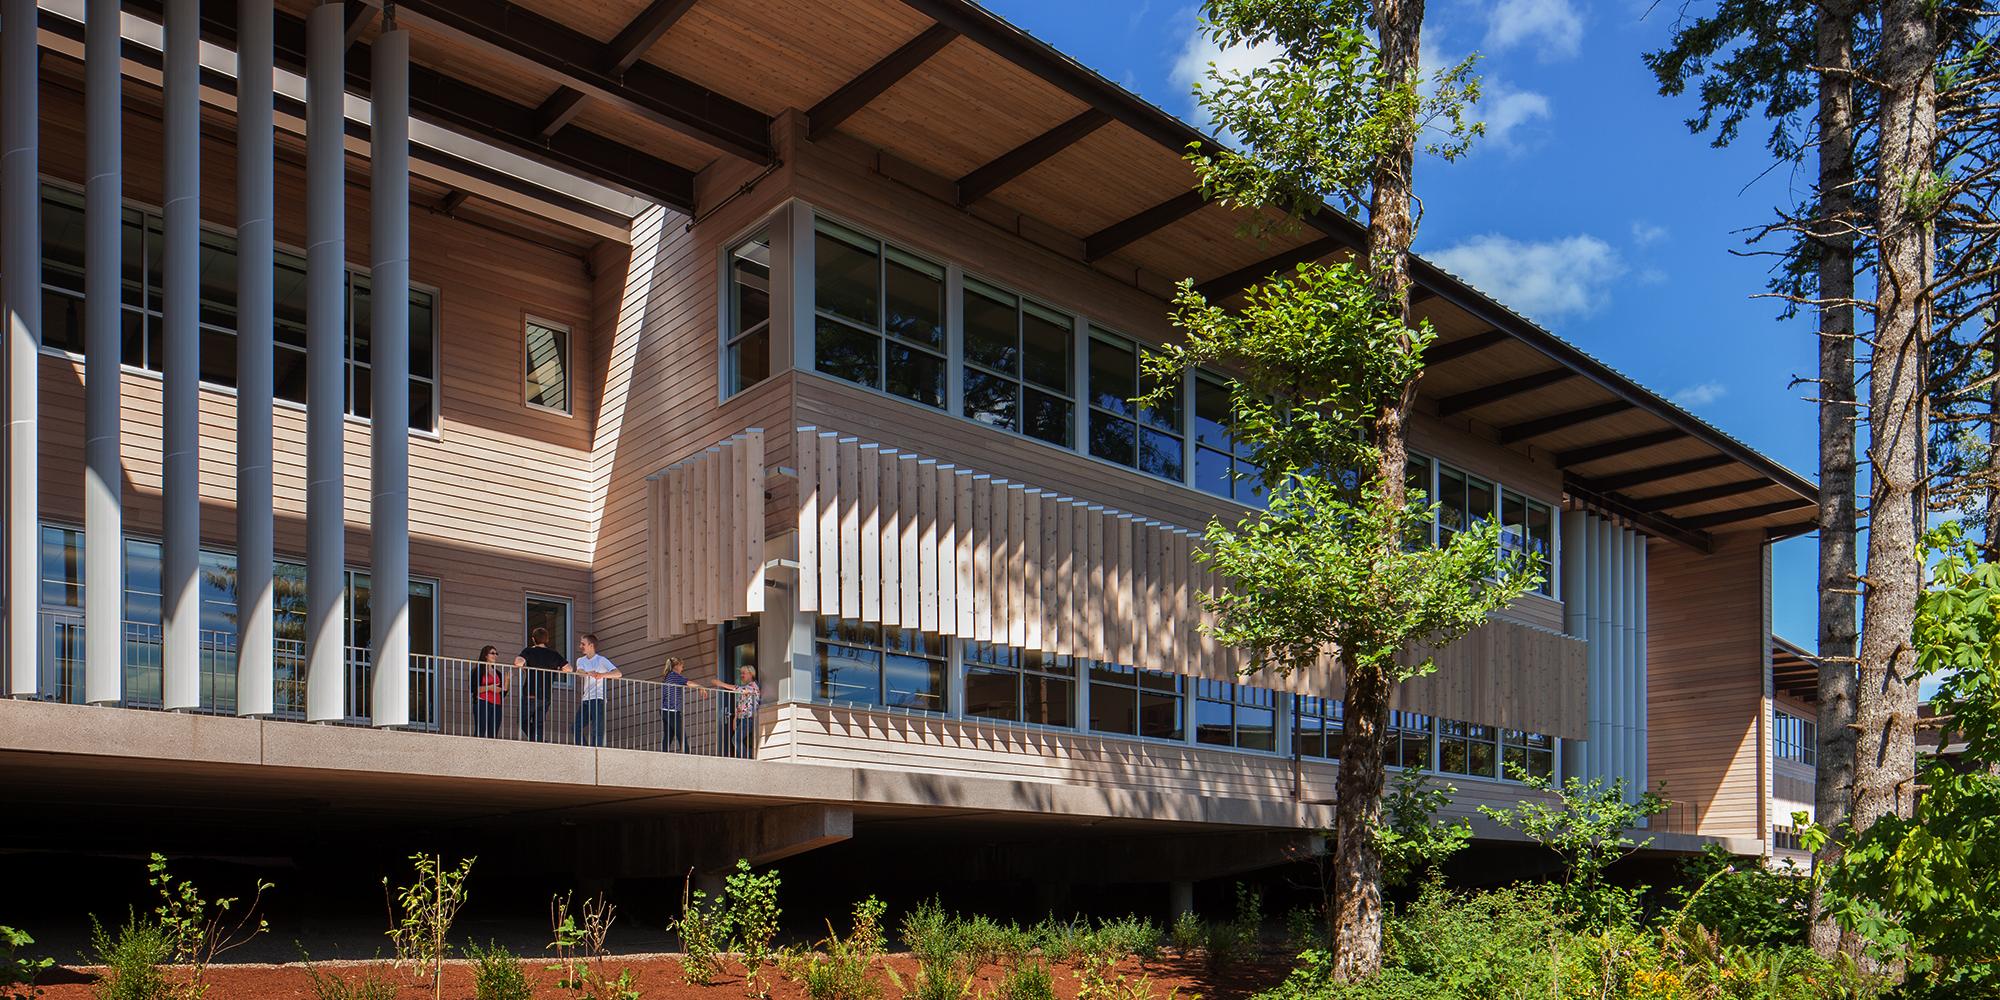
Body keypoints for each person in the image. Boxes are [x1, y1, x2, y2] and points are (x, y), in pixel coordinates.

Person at [567, 634, 621, 747]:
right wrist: (588, 673)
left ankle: (596, 750)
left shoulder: (602, 660)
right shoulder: (580, 660)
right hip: (586, 698)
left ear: (591, 645)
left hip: (598, 698)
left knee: (597, 727)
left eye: (583, 644)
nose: (580, 646)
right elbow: (580, 672)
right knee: (576, 727)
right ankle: (585, 749)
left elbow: (618, 673)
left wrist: (602, 675)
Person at [514, 627, 567, 742]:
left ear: (533, 639)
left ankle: (537, 741)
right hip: (546, 694)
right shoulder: (554, 654)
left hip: (531, 692)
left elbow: (518, 662)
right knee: (539, 722)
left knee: (523, 720)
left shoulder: (529, 651)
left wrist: (524, 666)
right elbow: (569, 668)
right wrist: (558, 669)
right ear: (547, 639)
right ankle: (539, 741)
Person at [707, 665, 760, 758]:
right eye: (741, 673)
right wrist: (735, 718)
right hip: (742, 718)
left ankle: (745, 759)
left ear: (750, 674)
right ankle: (742, 758)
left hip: (748, 719)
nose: (741, 675)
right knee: (738, 740)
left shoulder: (753, 686)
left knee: (736, 739)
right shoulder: (746, 687)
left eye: (743, 673)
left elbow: (738, 689)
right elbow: (740, 705)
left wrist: (720, 684)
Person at [469, 645, 507, 738]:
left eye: (496, 653)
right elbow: (473, 689)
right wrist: (489, 687)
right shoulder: (477, 671)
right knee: (480, 732)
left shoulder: (498, 673)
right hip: (482, 703)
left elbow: (503, 693)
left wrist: (507, 682)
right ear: (485, 655)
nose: (495, 655)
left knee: (493, 734)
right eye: (492, 653)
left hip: (497, 705)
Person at [660, 656, 688, 752]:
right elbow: (688, 682)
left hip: (666, 710)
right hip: (671, 710)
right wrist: (701, 687)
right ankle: (687, 755)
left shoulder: (669, 675)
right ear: (677, 666)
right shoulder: (673, 675)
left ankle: (664, 754)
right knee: (681, 735)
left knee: (668, 735)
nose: (682, 669)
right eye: (682, 666)